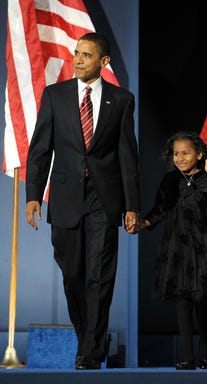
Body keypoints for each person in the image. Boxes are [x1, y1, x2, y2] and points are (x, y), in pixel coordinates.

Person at [25, 32, 140, 370]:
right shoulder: (55, 96)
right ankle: (88, 336)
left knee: (99, 277)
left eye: (86, 55)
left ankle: (89, 351)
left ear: (103, 62)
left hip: (104, 200)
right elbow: (40, 150)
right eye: (76, 53)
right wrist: (33, 196)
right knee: (72, 275)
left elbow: (127, 156)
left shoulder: (121, 100)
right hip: (64, 199)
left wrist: (131, 205)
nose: (77, 60)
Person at [135, 131, 207, 370]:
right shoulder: (169, 180)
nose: (180, 158)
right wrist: (144, 223)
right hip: (178, 244)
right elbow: (160, 209)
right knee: (183, 299)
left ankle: (205, 351)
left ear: (198, 154)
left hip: (206, 244)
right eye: (176, 154)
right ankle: (187, 356)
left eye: (186, 153)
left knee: (201, 297)